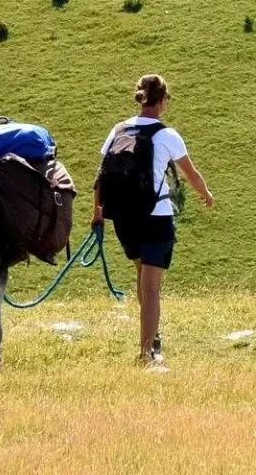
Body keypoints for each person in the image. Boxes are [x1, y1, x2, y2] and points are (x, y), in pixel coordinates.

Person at [94, 74, 214, 363]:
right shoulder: (167, 135)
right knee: (152, 287)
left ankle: (152, 337)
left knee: (142, 277)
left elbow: (102, 175)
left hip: (124, 218)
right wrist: (206, 195)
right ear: (162, 101)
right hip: (156, 217)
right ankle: (148, 352)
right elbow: (191, 173)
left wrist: (97, 213)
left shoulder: (119, 129)